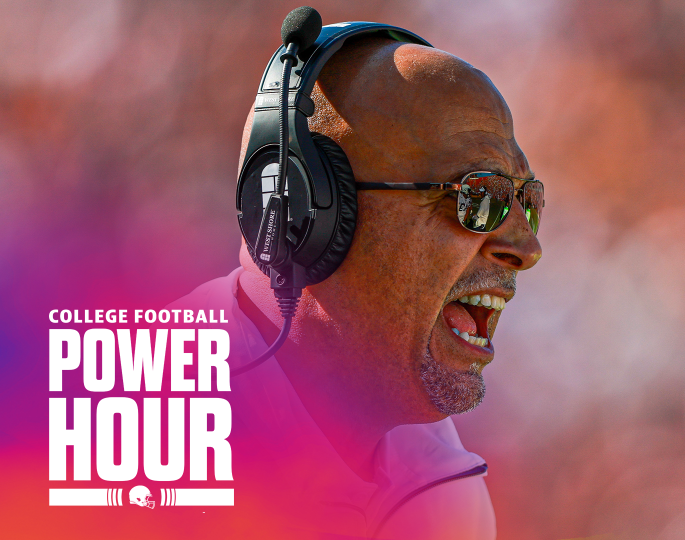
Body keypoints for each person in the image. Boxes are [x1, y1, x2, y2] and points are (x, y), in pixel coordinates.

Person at [172, 34, 542, 540]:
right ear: (300, 213)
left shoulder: (449, 490)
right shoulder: (129, 442)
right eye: (477, 195)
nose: (526, 246)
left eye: (528, 200)